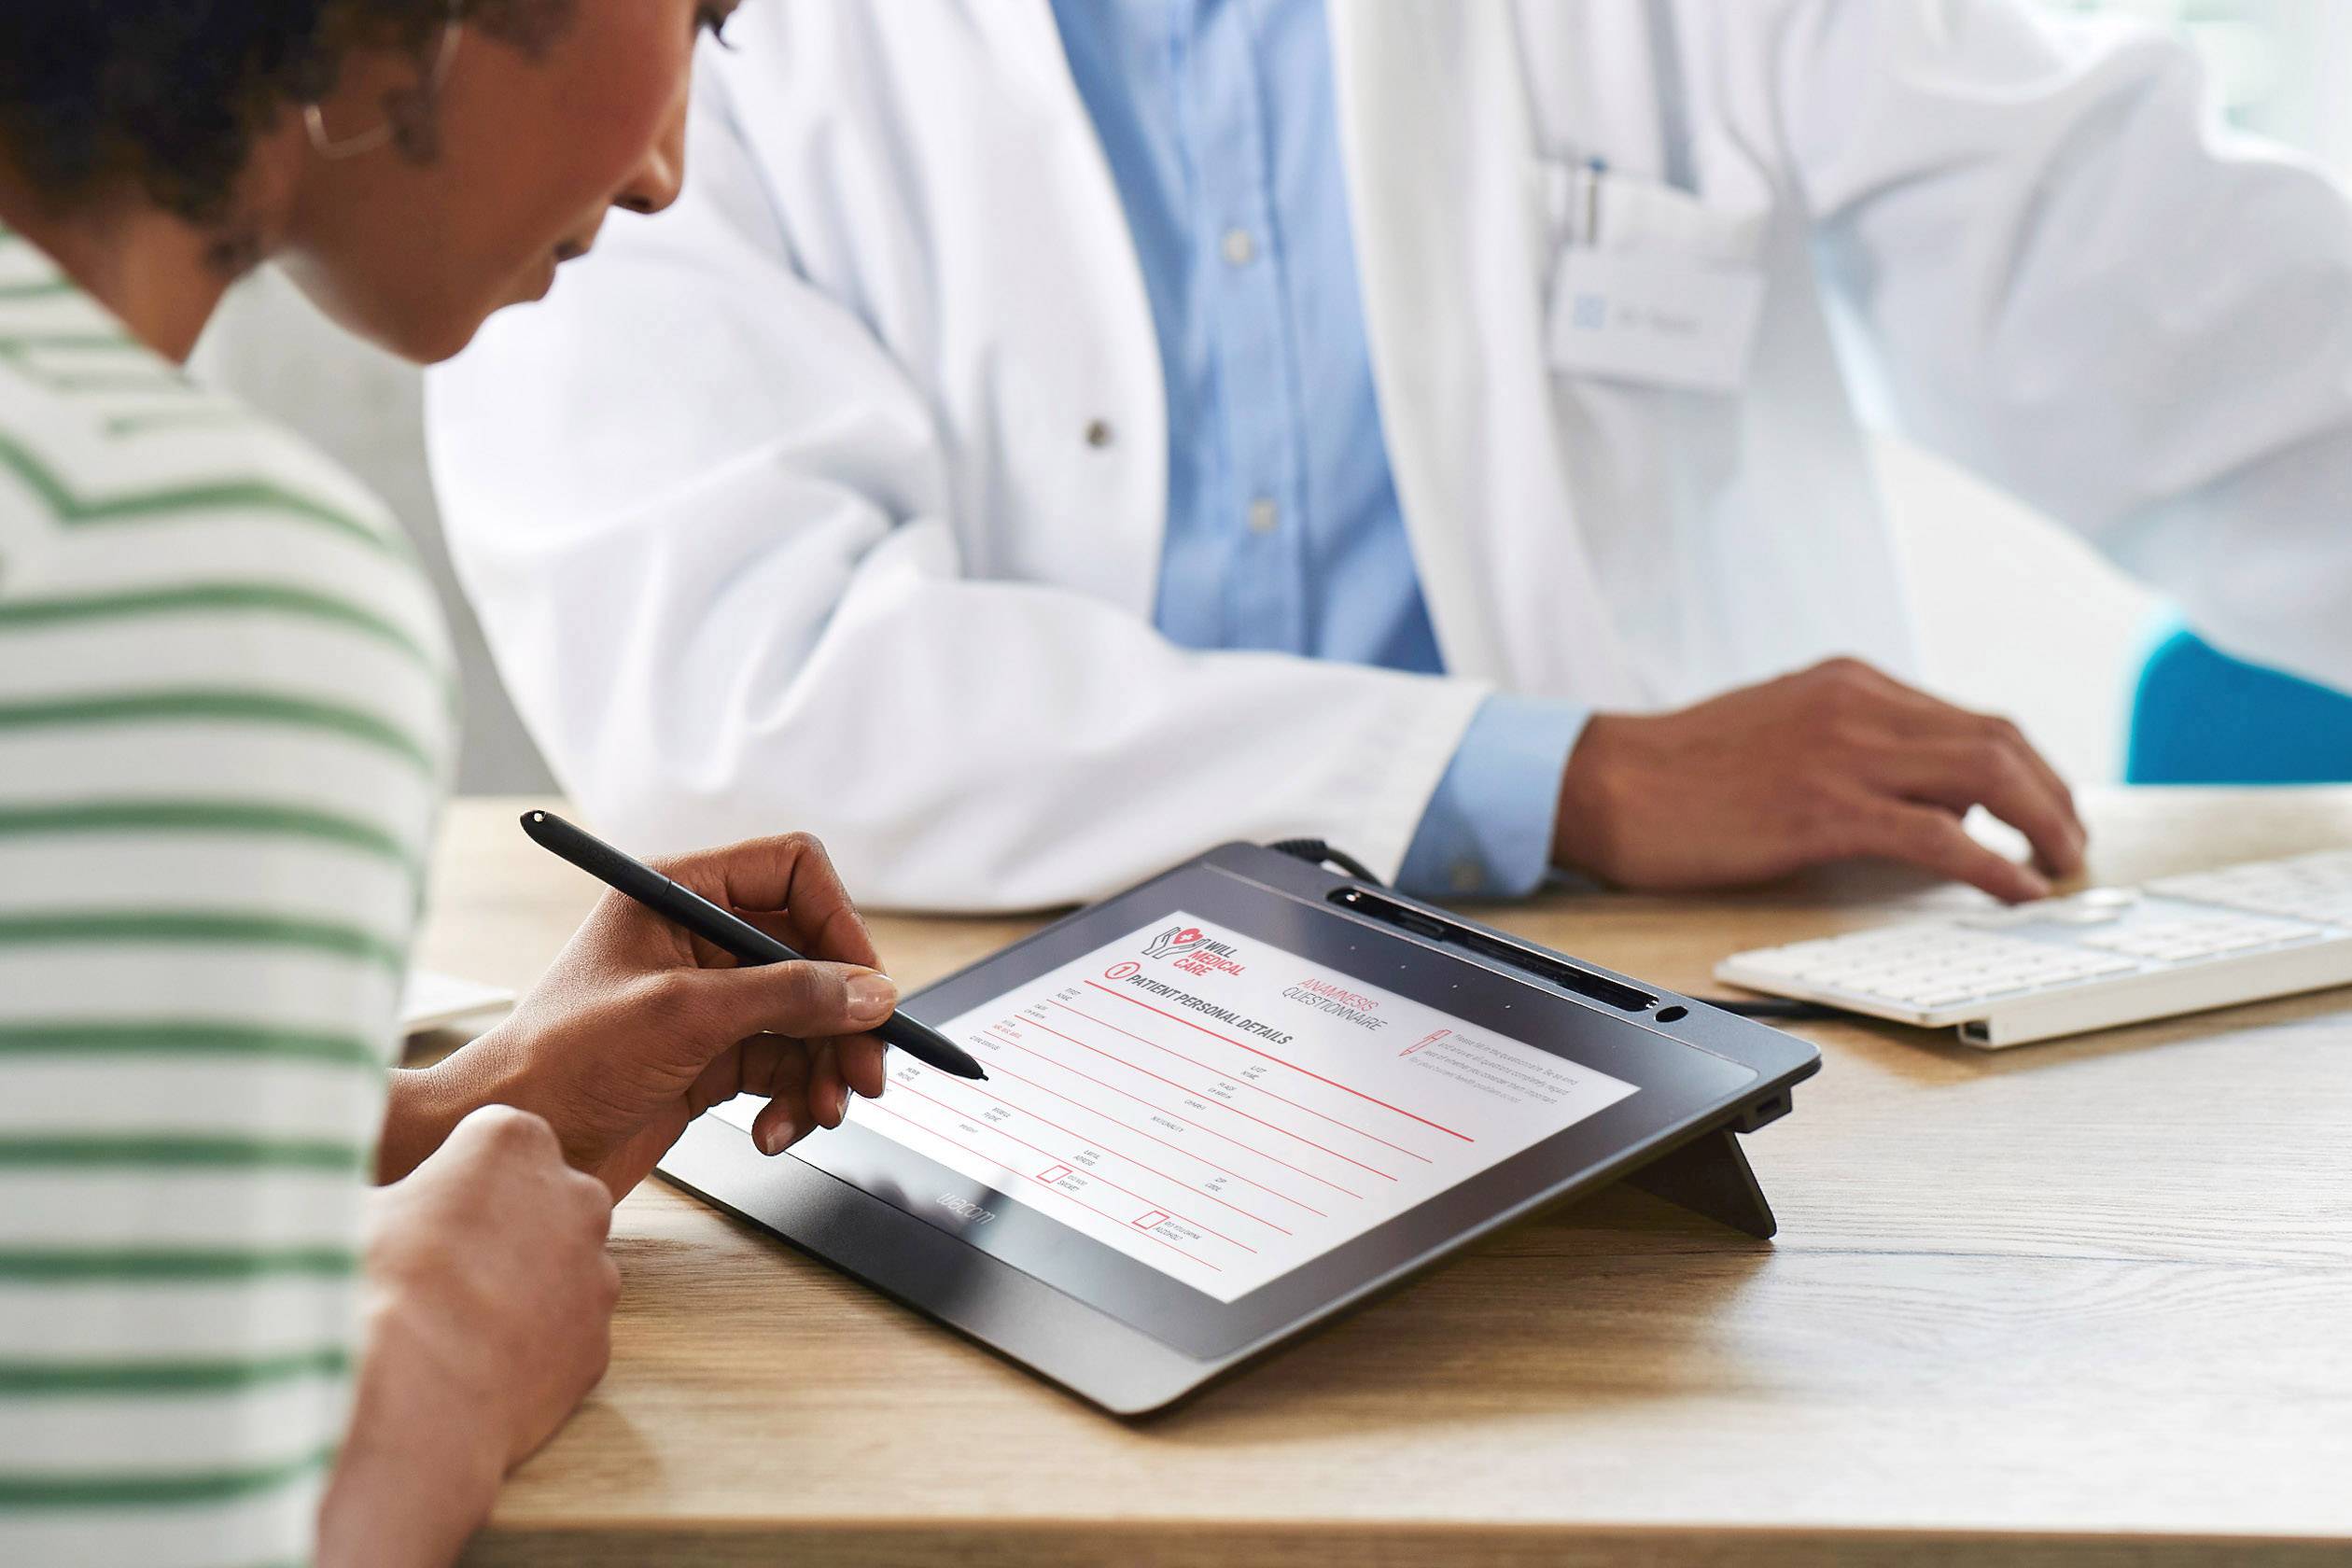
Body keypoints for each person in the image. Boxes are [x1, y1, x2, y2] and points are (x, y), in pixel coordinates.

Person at [430, 0, 2352, 914]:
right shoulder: (703, 43)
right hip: (990, 1014)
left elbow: (2164, 291)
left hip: (1722, 1017)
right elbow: (737, 699)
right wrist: (1564, 773)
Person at [0, 5, 894, 1564]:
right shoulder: (180, 581)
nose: (665, 175)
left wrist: (445, 1116)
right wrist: (448, 1365)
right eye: (694, 14)